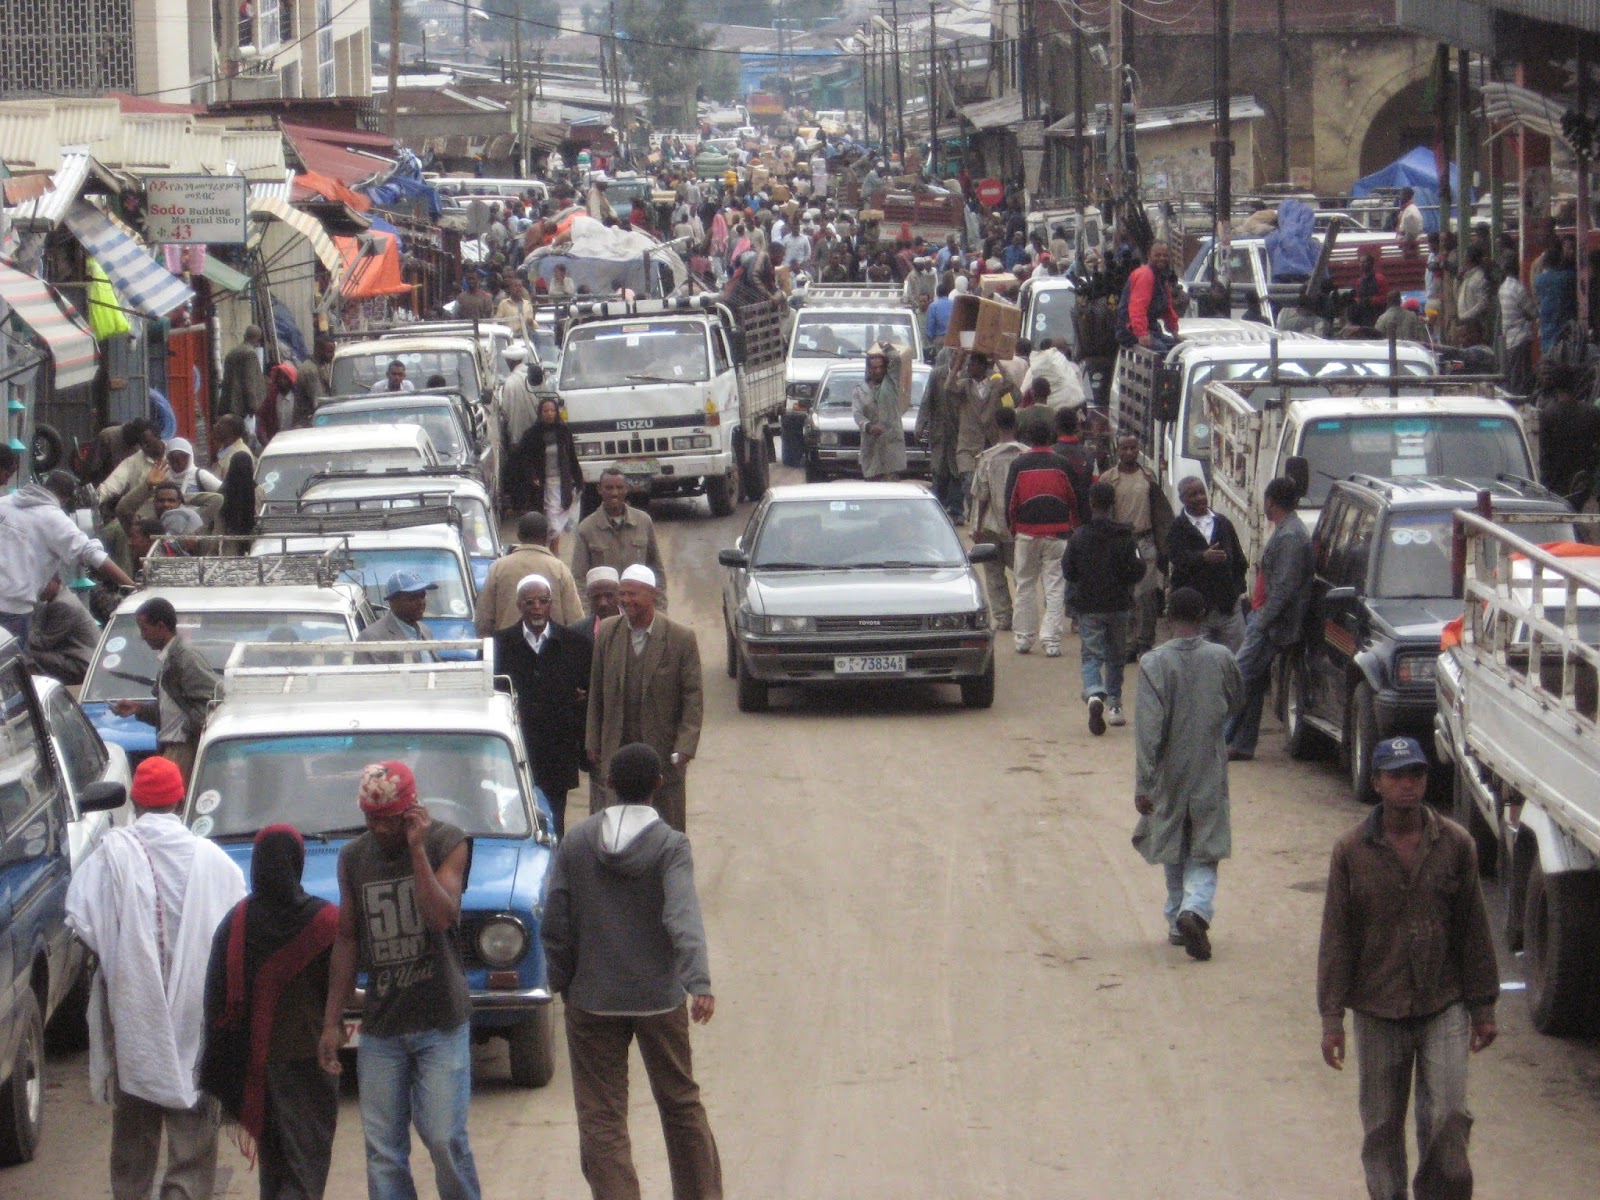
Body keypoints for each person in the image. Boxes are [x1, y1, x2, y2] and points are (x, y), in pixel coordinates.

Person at [1317, 736, 1499, 1200]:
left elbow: (1473, 929)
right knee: (1381, 1126)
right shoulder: (1351, 851)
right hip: (1377, 1008)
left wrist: (1483, 1007)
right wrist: (1331, 1018)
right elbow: (1336, 938)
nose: (1408, 785)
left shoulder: (1455, 844)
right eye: (1396, 775)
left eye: (1416, 774)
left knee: (1449, 1117)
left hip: (1444, 1002)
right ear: (1377, 782)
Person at [541, 742, 721, 1200]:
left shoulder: (577, 841)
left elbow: (555, 918)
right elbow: (682, 914)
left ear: (608, 784)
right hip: (659, 999)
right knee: (680, 1104)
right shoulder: (670, 846)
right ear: (658, 785)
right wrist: (697, 981)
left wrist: (560, 979)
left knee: (602, 1116)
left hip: (592, 1001)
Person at [65, 756, 247, 1200]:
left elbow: (81, 921)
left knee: (135, 1113)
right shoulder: (215, 862)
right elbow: (236, 931)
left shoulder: (110, 856)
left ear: (137, 802)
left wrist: (126, 961)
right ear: (181, 800)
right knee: (194, 1114)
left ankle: (132, 1191)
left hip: (133, 1011)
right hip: (196, 1012)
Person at [317, 762, 482, 1200]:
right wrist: (332, 1021)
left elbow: (440, 916)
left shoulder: (448, 842)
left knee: (445, 1139)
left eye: (387, 819)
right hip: (383, 1026)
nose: (377, 828)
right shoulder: (353, 857)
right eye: (370, 818)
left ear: (411, 811)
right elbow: (348, 938)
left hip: (441, 1020)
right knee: (383, 1152)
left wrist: (417, 850)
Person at [200, 825, 340, 1200]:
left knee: (274, 1168)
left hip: (254, 1066)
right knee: (306, 1167)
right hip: (308, 1061)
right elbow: (339, 989)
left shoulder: (235, 923)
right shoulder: (325, 922)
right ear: (297, 863)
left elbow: (214, 1000)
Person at [1132, 586, 1243, 961]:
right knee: (1206, 844)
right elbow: (1237, 701)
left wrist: (1144, 784)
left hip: (1169, 769)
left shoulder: (1153, 663)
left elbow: (1148, 730)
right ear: (1204, 616)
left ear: (1167, 616)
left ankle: (1177, 918)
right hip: (1208, 763)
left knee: (1173, 841)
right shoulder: (1222, 657)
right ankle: (1193, 909)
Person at [586, 565, 702, 832]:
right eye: (622, 594)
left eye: (633, 594)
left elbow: (693, 697)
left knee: (666, 822)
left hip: (663, 749)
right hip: (617, 745)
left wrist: (685, 746)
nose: (626, 601)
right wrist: (593, 740)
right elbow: (597, 690)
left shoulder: (680, 638)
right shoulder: (608, 632)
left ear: (653, 595)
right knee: (614, 822)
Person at [493, 575, 593, 836]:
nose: (537, 608)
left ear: (551, 604)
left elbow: (589, 695)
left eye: (543, 601)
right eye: (530, 602)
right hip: (515, 748)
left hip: (557, 752)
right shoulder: (499, 645)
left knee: (555, 819)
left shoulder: (575, 644)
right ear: (519, 606)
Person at [1225, 477, 1314, 761]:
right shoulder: (1287, 530)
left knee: (1237, 678)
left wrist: (1261, 622)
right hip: (1266, 618)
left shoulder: (1290, 536)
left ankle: (1217, 741)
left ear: (1270, 502)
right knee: (1252, 684)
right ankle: (1241, 744)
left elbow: (1284, 589)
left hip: (1271, 623)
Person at [0, 464, 133, 643]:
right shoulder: (55, 519)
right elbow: (93, 555)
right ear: (66, 498)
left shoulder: (4, 503)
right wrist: (132, 586)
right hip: (13, 610)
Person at [1063, 481, 1147, 735]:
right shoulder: (1125, 536)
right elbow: (1139, 568)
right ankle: (1116, 706)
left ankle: (1093, 694)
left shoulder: (1079, 536)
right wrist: (1124, 582)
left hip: (1089, 606)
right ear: (1113, 504)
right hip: (1118, 604)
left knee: (1091, 655)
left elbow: (1068, 571)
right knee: (1116, 656)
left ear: (1091, 503)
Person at [110, 595, 221, 780]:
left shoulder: (185, 658)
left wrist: (187, 731)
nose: (143, 636)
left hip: (184, 750)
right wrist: (138, 709)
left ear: (161, 627)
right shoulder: (170, 658)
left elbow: (213, 702)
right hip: (171, 749)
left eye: (145, 629)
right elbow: (172, 710)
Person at [1003, 410, 1079, 657]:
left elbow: (1010, 502)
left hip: (1026, 534)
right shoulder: (1062, 464)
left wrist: (1014, 529)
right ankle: (1051, 641)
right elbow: (1073, 499)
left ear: (1028, 439)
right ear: (1051, 437)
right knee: (1055, 586)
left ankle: (1024, 639)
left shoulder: (1018, 464)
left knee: (1024, 584)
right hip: (1057, 534)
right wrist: (1071, 527)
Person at [1099, 434, 1171, 659]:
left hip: (1145, 540)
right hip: (1119, 542)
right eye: (1125, 448)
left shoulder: (1148, 477)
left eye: (1133, 448)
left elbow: (1160, 512)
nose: (1129, 452)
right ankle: (1126, 643)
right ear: (1118, 450)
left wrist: (1163, 546)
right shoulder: (1108, 479)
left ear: (1138, 449)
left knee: (1146, 593)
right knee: (1124, 594)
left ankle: (1144, 642)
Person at [1165, 476, 1248, 651]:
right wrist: (1202, 557)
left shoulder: (1222, 523)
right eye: (1193, 495)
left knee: (1235, 658)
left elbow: (1239, 560)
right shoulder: (1177, 528)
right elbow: (1177, 559)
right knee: (1199, 659)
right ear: (1183, 499)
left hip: (1228, 609)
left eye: (1202, 492)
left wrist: (1236, 591)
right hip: (1197, 613)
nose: (1200, 498)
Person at [570, 468, 668, 610]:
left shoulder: (643, 522)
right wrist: (586, 614)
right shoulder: (586, 528)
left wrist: (660, 609)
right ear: (599, 489)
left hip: (638, 608)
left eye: (619, 487)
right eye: (609, 488)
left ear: (626, 489)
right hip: (605, 611)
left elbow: (656, 570)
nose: (614, 493)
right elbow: (579, 578)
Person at [476, 511, 584, 634]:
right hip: (552, 644)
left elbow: (484, 619)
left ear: (519, 536)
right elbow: (575, 619)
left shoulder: (498, 568)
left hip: (509, 644)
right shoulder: (560, 570)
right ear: (546, 537)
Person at [969, 406, 1026, 632]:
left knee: (993, 574)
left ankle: (1003, 617)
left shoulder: (986, 459)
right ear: (1016, 425)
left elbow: (981, 497)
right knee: (1021, 573)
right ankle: (1023, 614)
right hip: (1019, 525)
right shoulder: (1026, 455)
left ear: (995, 426)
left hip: (991, 526)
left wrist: (976, 527)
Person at [514, 397, 583, 542]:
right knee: (552, 521)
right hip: (543, 485)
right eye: (546, 411)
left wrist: (579, 480)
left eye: (552, 410)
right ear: (540, 413)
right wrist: (532, 476)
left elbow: (571, 457)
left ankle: (551, 550)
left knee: (559, 517)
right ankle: (551, 550)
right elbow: (524, 459)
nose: (549, 414)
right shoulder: (531, 434)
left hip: (562, 483)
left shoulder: (564, 431)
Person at [1535, 362, 1600, 508]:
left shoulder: (1547, 415)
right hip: (1584, 487)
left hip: (1556, 488)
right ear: (1575, 385)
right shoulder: (1592, 413)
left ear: (1556, 385)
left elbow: (1545, 456)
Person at [916, 347, 963, 519]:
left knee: (957, 471)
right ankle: (938, 510)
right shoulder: (937, 374)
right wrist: (920, 425)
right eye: (955, 353)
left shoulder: (967, 376)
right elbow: (927, 401)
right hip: (940, 432)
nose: (957, 357)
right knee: (939, 471)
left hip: (959, 432)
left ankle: (957, 510)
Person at [27, 574, 100, 686]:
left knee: (28, 653)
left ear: (58, 581)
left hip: (83, 664)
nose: (40, 589)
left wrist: (20, 635)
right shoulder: (61, 598)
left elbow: (44, 642)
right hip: (82, 658)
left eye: (44, 584)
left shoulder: (62, 603)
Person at [358, 571, 439, 663]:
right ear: (393, 601)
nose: (421, 602)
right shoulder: (371, 638)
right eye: (413, 597)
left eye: (422, 596)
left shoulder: (425, 631)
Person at [853, 344, 908, 481]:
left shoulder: (891, 384)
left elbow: (896, 360)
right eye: (874, 368)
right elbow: (857, 414)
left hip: (891, 451)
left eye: (880, 367)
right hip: (871, 450)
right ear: (868, 369)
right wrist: (869, 427)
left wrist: (887, 347)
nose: (877, 371)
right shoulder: (860, 390)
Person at [1116, 242, 1180, 351]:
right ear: (1149, 255)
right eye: (1157, 255)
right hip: (1130, 331)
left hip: (1152, 329)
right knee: (1162, 350)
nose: (1162, 258)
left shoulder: (1161, 277)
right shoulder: (1145, 275)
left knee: (1177, 348)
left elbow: (1167, 309)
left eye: (1165, 255)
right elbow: (1137, 308)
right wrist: (1141, 334)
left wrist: (1174, 331)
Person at [1498, 254, 1539, 395]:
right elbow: (1533, 312)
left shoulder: (1503, 288)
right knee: (1521, 376)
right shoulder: (1518, 288)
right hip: (1520, 337)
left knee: (1513, 374)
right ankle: (1520, 399)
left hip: (1509, 338)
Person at [221, 324, 267, 420]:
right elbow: (249, 381)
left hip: (228, 402)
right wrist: (253, 405)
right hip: (242, 406)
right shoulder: (250, 354)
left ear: (245, 335)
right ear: (258, 338)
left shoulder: (232, 352)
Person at [1452, 246, 1490, 347]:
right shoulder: (1467, 277)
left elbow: (1483, 303)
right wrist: (1457, 279)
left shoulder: (1479, 277)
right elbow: (1456, 296)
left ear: (1468, 259)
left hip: (1473, 326)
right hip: (1464, 325)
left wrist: (1466, 316)